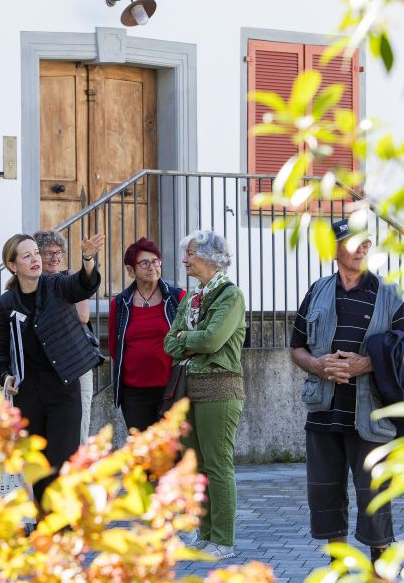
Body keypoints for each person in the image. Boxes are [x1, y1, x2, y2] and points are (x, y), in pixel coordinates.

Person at [290, 218, 404, 565]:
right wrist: (318, 366)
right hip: (324, 409)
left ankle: (379, 564)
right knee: (326, 493)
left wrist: (367, 364)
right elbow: (297, 347)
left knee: (374, 493)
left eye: (367, 242)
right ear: (334, 250)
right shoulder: (317, 290)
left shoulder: (391, 293)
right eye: (353, 242)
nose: (362, 248)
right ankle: (339, 565)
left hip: (372, 412)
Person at [0, 232, 104, 505]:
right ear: (13, 266)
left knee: (62, 459)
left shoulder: (56, 285)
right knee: (37, 463)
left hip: (63, 387)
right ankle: (45, 521)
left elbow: (82, 286)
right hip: (28, 391)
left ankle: (60, 525)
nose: (35, 260)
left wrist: (88, 259)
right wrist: (5, 376)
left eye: (36, 254)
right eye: (27, 256)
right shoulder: (4, 305)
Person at [163, 230, 246, 561]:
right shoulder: (190, 298)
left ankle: (223, 539)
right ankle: (206, 532)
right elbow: (169, 342)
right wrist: (187, 338)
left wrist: (186, 337)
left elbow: (213, 341)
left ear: (212, 258)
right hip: (189, 386)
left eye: (191, 254)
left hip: (220, 386)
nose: (185, 260)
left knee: (218, 464)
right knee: (196, 465)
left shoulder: (231, 296)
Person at [109, 237, 186, 431]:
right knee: (142, 452)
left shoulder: (177, 298)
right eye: (144, 263)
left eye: (156, 261)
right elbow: (114, 347)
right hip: (134, 393)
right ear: (130, 270)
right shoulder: (120, 304)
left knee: (171, 451)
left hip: (171, 389)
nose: (152, 267)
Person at [32, 230, 95, 444]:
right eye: (49, 253)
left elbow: (83, 316)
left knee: (79, 423)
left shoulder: (70, 278)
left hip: (76, 361)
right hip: (45, 365)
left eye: (59, 252)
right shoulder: (30, 284)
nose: (56, 258)